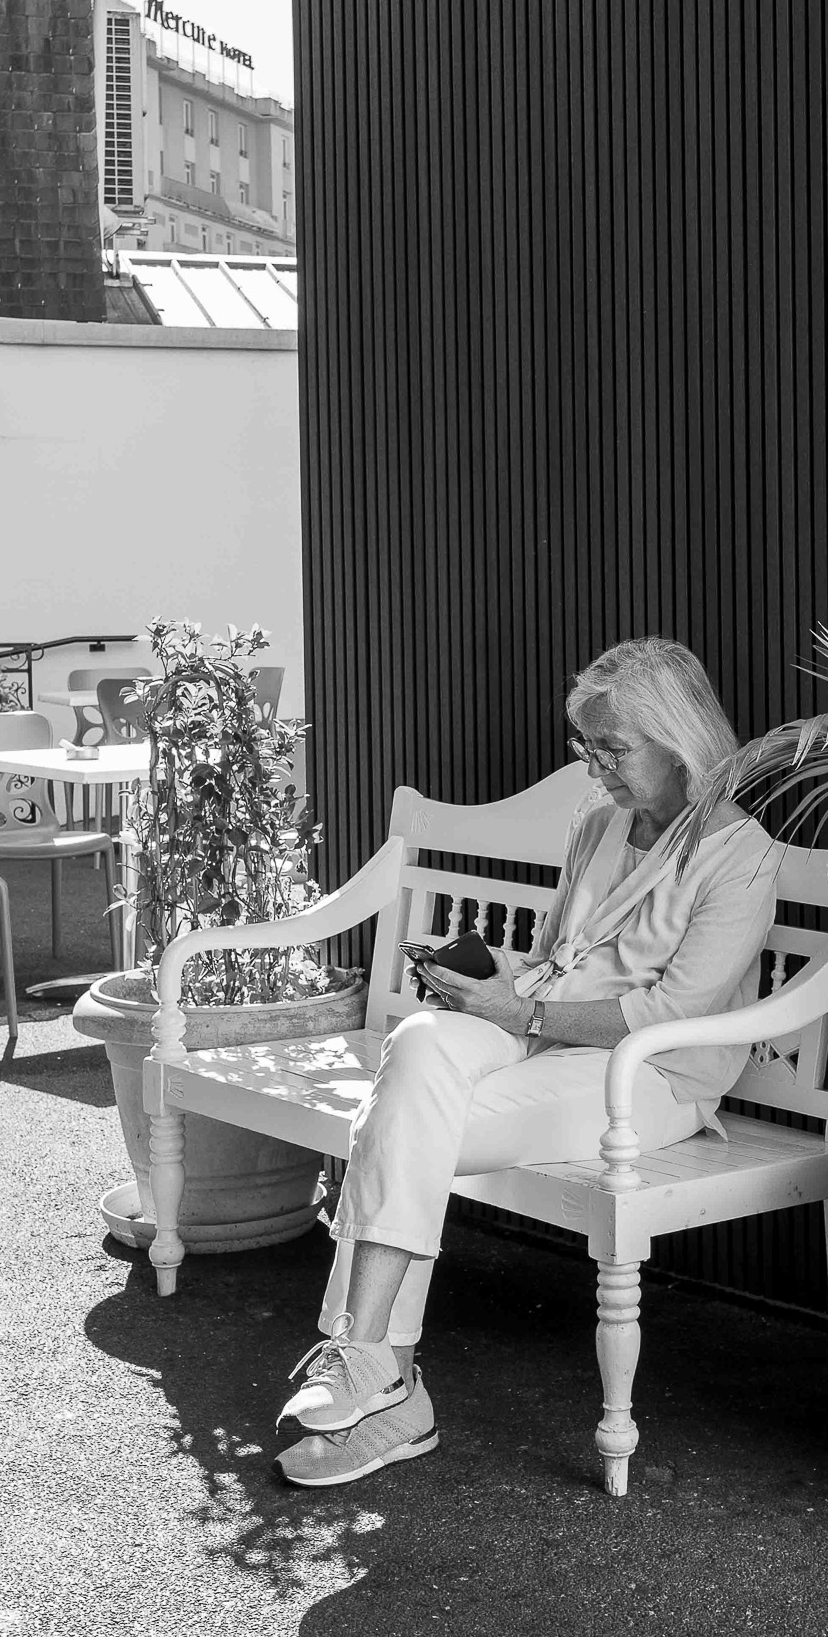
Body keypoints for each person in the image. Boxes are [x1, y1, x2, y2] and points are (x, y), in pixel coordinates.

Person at [276, 636, 779, 1487]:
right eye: (586, 746)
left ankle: (375, 1370)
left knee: (400, 1124)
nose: (593, 768)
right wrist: (481, 977)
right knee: (420, 1041)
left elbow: (672, 1016)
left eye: (611, 749)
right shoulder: (599, 824)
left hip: (648, 1076)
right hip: (543, 1028)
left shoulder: (741, 855)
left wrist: (526, 1009)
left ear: (679, 741)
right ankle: (379, 1374)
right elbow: (552, 957)